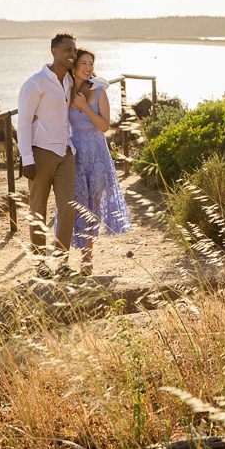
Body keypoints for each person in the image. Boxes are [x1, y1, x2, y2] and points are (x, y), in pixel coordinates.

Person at [67, 48, 132, 275]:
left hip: (97, 154)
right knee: (77, 201)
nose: (88, 68)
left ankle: (87, 257)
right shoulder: (65, 90)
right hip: (75, 154)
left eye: (91, 64)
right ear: (74, 67)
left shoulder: (99, 90)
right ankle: (69, 253)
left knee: (92, 205)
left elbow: (104, 126)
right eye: (83, 63)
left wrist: (85, 106)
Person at [17, 32, 78, 277]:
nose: (72, 54)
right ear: (53, 51)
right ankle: (40, 265)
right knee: (38, 210)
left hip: (66, 152)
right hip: (40, 153)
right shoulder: (35, 83)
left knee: (68, 208)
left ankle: (62, 264)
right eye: (67, 50)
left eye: (74, 50)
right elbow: (23, 122)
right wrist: (27, 158)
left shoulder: (70, 81)